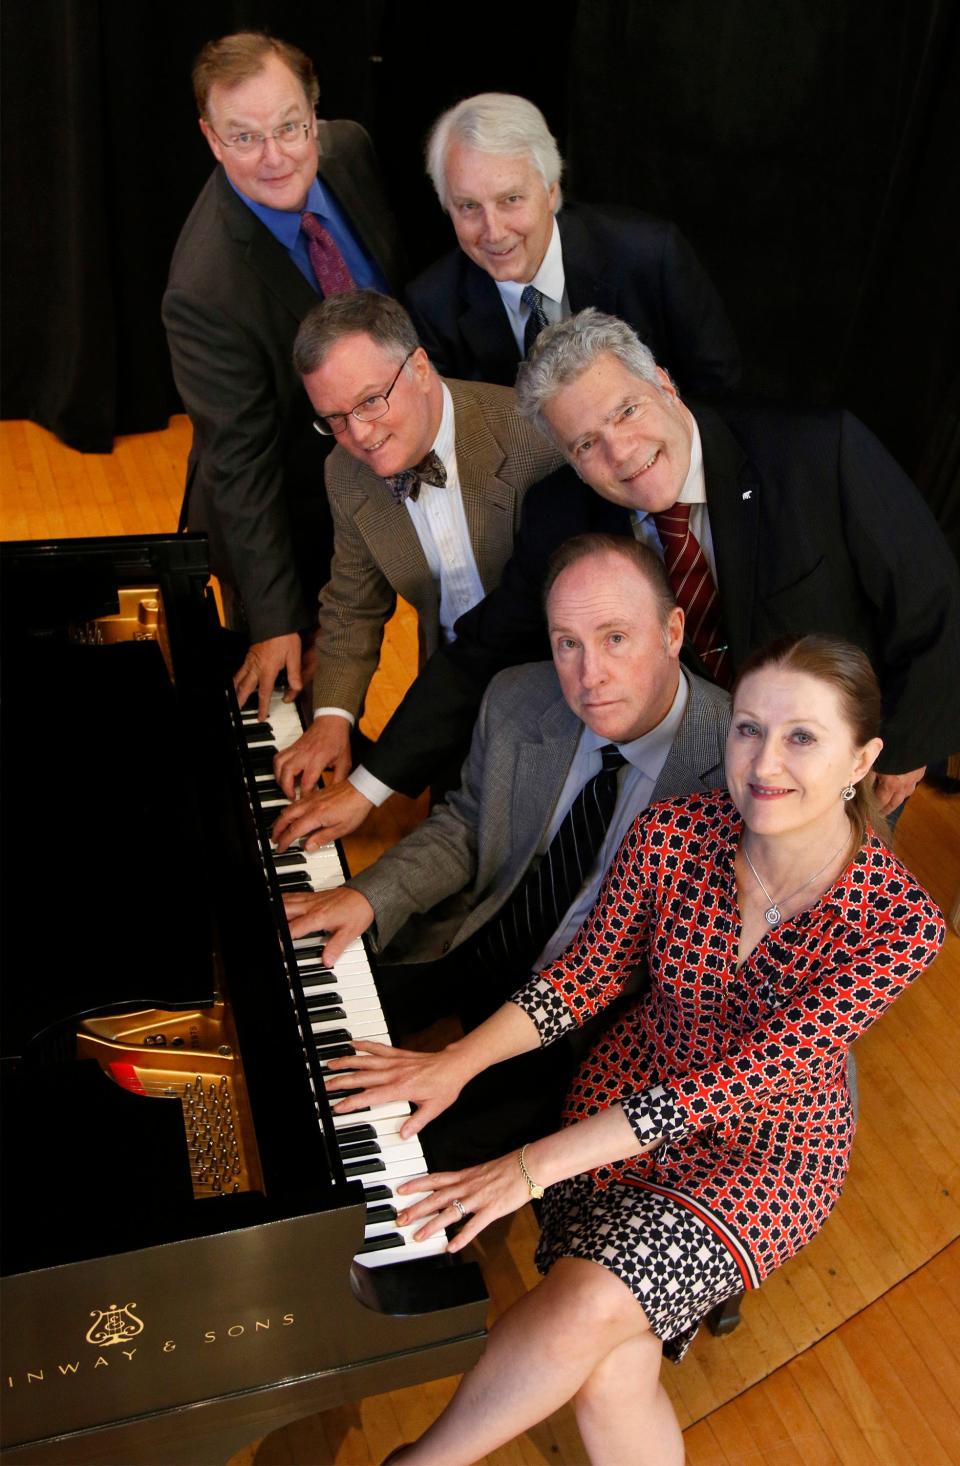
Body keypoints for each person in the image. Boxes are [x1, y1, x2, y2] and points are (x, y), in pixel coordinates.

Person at [326, 634, 945, 1465]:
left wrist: (525, 1169)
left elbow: (734, 1086)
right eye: (748, 728)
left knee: (587, 1311)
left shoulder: (901, 926)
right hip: (621, 1096)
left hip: (767, 1155)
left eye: (803, 736)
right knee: (613, 1371)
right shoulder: (676, 832)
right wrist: (454, 1062)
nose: (764, 762)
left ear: (863, 758)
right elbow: (583, 978)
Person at [289, 308, 960, 842]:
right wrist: (368, 787)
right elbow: (484, 648)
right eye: (586, 444)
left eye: (627, 411)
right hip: (689, 770)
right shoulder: (566, 513)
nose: (622, 453)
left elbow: (935, 601)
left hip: (839, 759)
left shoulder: (818, 451)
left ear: (663, 383)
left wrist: (906, 746)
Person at [283, 536, 730, 1156]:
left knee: (406, 1153)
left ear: (674, 630)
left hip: (588, 1027)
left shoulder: (737, 769)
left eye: (615, 638)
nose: (588, 675)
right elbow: (467, 824)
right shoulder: (519, 697)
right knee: (300, 1020)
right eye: (567, 642)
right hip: (476, 937)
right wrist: (368, 894)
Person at [163, 32, 402, 720]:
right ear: (211, 138)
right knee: (300, 706)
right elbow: (239, 462)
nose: (276, 157)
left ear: (315, 113)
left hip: (393, 464)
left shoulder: (350, 150)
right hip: (291, 516)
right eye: (243, 137)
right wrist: (275, 621)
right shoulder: (204, 289)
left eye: (290, 127)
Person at [270, 290, 562, 814]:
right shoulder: (345, 470)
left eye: (370, 401)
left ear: (420, 367)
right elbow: (353, 603)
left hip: (553, 691)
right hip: (444, 696)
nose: (359, 433)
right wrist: (333, 717)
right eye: (333, 417)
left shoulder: (533, 438)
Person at [405, 93, 740, 397]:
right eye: (469, 206)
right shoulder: (432, 306)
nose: (493, 231)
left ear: (551, 191)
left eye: (511, 199)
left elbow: (720, 397)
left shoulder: (650, 256)